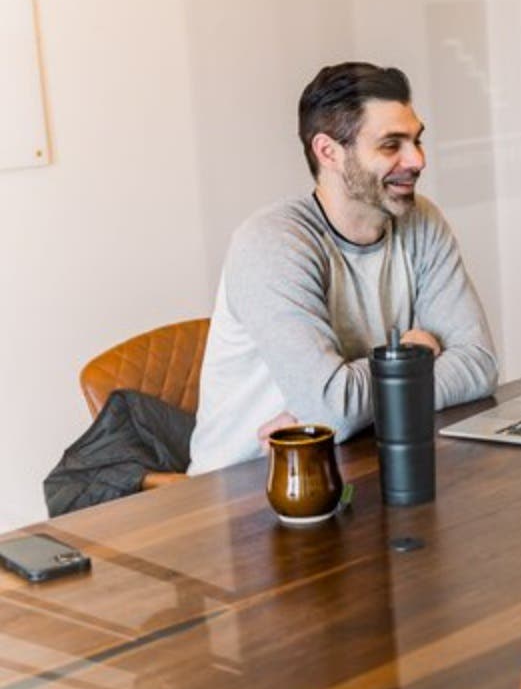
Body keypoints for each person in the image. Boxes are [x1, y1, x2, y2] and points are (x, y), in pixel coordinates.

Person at [188, 63, 499, 474]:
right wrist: (415, 353)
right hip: (246, 492)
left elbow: (478, 366)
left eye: (417, 140)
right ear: (329, 151)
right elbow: (333, 408)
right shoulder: (272, 242)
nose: (417, 160)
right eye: (392, 145)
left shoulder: (421, 220)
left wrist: (347, 405)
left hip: (355, 462)